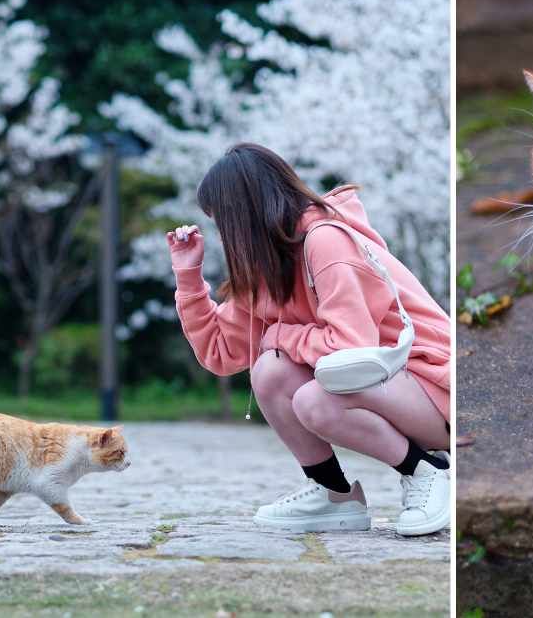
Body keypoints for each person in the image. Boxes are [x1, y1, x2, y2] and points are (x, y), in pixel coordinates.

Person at [166, 143, 451, 536]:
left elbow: (353, 349)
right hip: (386, 389)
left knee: (312, 397)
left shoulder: (326, 240)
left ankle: (427, 470)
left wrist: (280, 334)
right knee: (270, 371)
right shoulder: (265, 271)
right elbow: (220, 354)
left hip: (434, 388)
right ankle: (333, 494)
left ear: (242, 215)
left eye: (222, 222)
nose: (222, 235)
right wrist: (188, 278)